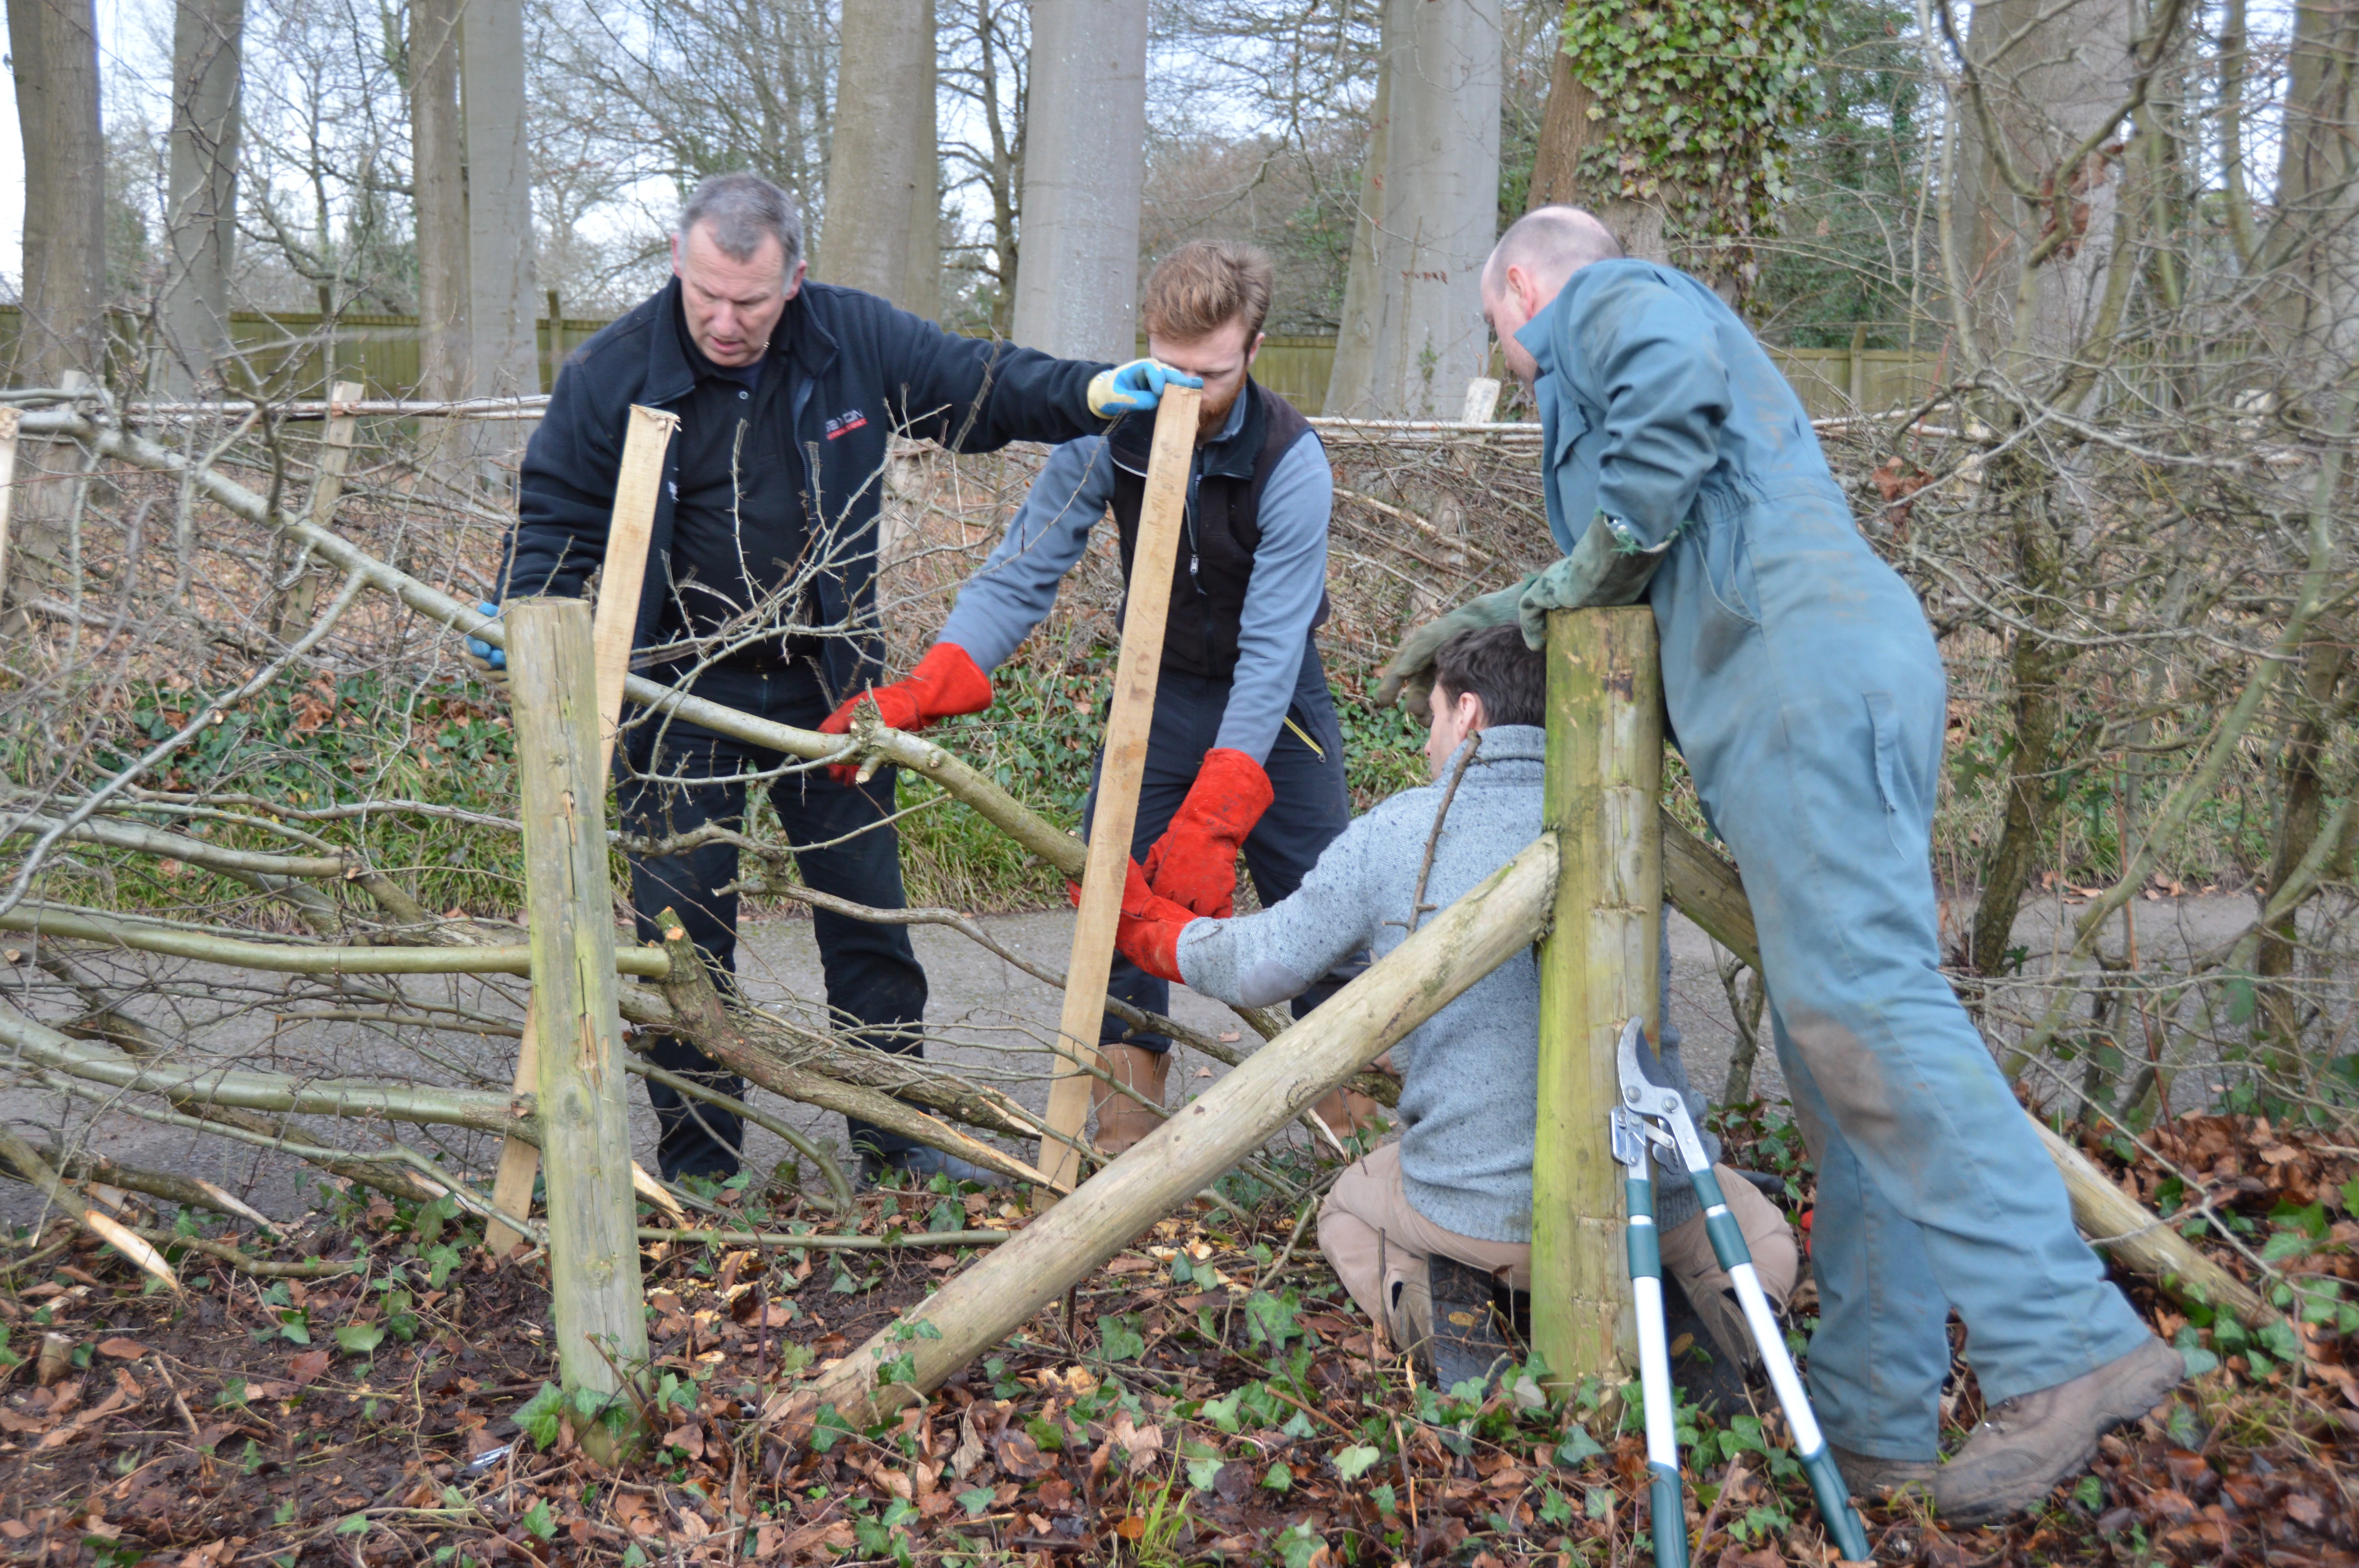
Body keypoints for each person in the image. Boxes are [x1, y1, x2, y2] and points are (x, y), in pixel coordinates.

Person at [1378, 205, 2182, 1521]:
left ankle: (2068, 1345)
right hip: (1803, 683)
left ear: (1519, 288)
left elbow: (1648, 455)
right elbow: (1630, 554)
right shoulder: (1635, 360)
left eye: (1497, 335)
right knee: (1837, 1056)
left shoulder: (1614, 299)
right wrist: (1509, 609)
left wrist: (1579, 558)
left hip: (1800, 680)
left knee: (1866, 1014)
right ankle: (1873, 1422)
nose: (1514, 368)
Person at [478, 171, 1199, 1188]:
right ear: (679, 267)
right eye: (707, 297)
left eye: (752, 303)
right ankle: (704, 1173)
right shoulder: (613, 372)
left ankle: (895, 1156)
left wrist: (1088, 391)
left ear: (794, 281)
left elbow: (978, 384)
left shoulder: (848, 341)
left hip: (831, 689)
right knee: (685, 949)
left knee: (871, 930)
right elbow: (556, 513)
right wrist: (521, 602)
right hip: (675, 698)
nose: (725, 323)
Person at [1107, 624, 1794, 1385]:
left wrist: (1149, 931)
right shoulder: (1631, 822)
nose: (1428, 745)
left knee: (1350, 1204)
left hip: (1468, 1213)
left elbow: (1258, 968)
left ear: (1467, 712)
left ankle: (1432, 1317)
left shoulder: (1396, 831)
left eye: (1432, 719)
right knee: (1758, 1222)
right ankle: (1727, 1311)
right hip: (1648, 1201)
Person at [821, 240, 1359, 1154]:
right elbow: (1020, 571)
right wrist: (938, 674)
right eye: (1170, 364)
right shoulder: (1108, 429)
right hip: (1155, 693)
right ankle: (1125, 1115)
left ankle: (1352, 1121)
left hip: (1275, 707)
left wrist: (1222, 805)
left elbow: (1271, 648)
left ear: (1254, 348)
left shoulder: (1290, 459)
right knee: (1117, 891)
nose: (1187, 388)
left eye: (1212, 372)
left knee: (1325, 900)